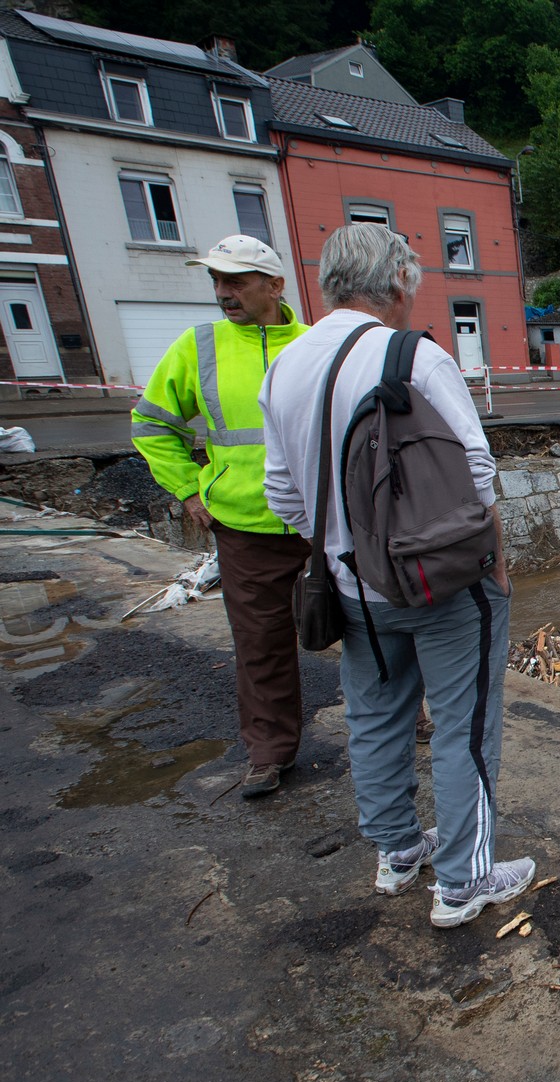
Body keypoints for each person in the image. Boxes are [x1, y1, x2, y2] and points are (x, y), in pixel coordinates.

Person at [260, 224, 532, 928]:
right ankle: (465, 880)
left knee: (375, 719)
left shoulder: (285, 365)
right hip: (442, 582)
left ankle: (398, 852)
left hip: (352, 589)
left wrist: (343, 546)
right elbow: (475, 473)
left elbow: (283, 495)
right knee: (463, 725)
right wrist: (496, 565)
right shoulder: (414, 356)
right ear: (401, 283)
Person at [131, 235, 309, 798]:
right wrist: (188, 490)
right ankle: (269, 752)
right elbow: (151, 424)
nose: (222, 292)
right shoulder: (199, 345)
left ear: (274, 285)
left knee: (370, 627)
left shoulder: (313, 345)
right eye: (216, 281)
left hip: (321, 522)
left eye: (235, 281)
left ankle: (405, 721)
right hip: (245, 527)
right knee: (260, 644)